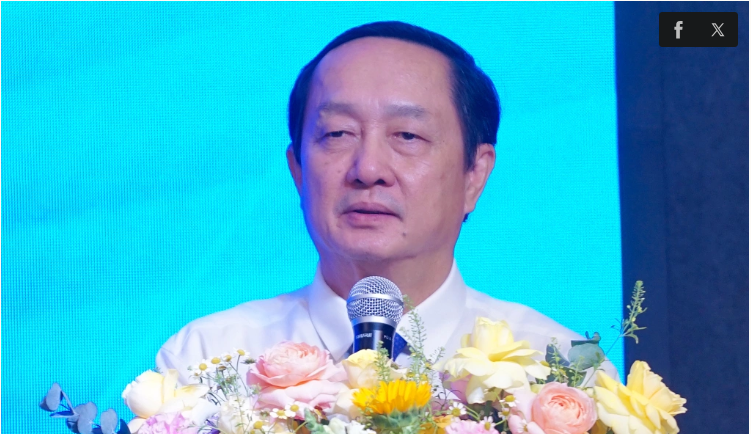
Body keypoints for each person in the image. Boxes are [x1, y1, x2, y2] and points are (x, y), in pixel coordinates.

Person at [157, 21, 617, 384]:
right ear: (297, 170)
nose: (368, 168)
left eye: (408, 136)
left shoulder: (561, 375)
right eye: (338, 134)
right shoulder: (207, 362)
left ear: (474, 175)